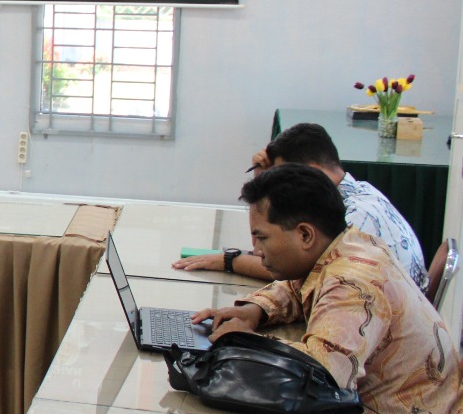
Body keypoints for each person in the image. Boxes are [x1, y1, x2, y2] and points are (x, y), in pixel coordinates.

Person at [194, 164, 463, 414]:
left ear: (305, 234)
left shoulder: (353, 283)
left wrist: (240, 344)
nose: (255, 251)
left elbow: (315, 378)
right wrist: (256, 310)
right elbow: (300, 283)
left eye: (262, 238)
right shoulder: (347, 244)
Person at [173, 122, 427, 290]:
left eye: (285, 174)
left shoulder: (355, 219)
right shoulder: (356, 192)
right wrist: (263, 182)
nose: (284, 185)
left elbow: (294, 271)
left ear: (311, 172)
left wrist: (229, 261)